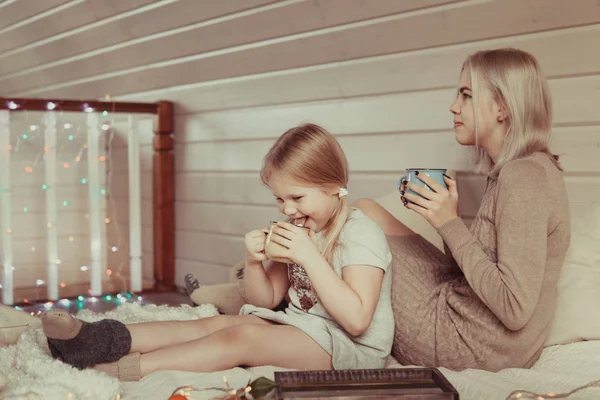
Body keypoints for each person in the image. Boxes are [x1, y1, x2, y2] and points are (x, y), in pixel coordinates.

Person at [40, 123, 394, 381]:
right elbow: (267, 300)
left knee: (240, 338)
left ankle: (117, 372)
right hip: (303, 326)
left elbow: (357, 320)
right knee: (215, 323)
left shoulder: (360, 233)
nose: (287, 210)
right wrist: (255, 262)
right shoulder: (305, 228)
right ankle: (94, 340)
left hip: (350, 349)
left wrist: (309, 256)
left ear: (334, 186)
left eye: (297, 198)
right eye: (279, 198)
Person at [355, 48, 571, 372]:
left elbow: (514, 307)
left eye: (466, 95)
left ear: (502, 107)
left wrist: (450, 223)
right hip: (481, 331)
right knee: (367, 210)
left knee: (355, 216)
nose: (453, 107)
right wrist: (442, 218)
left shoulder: (522, 177)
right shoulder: (526, 169)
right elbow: (480, 273)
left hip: (467, 343)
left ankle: (283, 303)